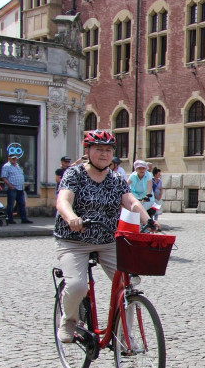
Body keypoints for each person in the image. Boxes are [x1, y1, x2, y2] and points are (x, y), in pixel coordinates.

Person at [54, 130, 152, 343]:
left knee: (128, 283)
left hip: (108, 241)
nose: (104, 154)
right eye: (99, 149)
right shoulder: (74, 174)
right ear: (88, 151)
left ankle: (125, 334)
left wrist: (148, 220)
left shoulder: (115, 179)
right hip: (74, 240)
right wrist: (72, 217)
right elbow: (63, 201)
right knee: (78, 285)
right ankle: (69, 320)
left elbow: (131, 202)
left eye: (108, 150)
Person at [0, 150, 31, 224]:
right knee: (11, 204)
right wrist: (10, 186)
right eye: (13, 158)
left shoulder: (17, 165)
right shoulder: (6, 166)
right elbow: (4, 177)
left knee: (22, 204)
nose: (15, 160)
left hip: (20, 188)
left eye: (15, 158)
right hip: (12, 188)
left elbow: (21, 175)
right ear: (9, 158)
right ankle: (10, 219)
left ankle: (24, 219)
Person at [128, 160, 154, 229]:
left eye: (143, 168)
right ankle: (135, 227)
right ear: (136, 169)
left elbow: (150, 186)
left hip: (147, 198)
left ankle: (146, 228)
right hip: (136, 196)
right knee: (134, 211)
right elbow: (126, 185)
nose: (141, 170)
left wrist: (147, 195)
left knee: (141, 211)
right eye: (139, 168)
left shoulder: (148, 175)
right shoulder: (133, 176)